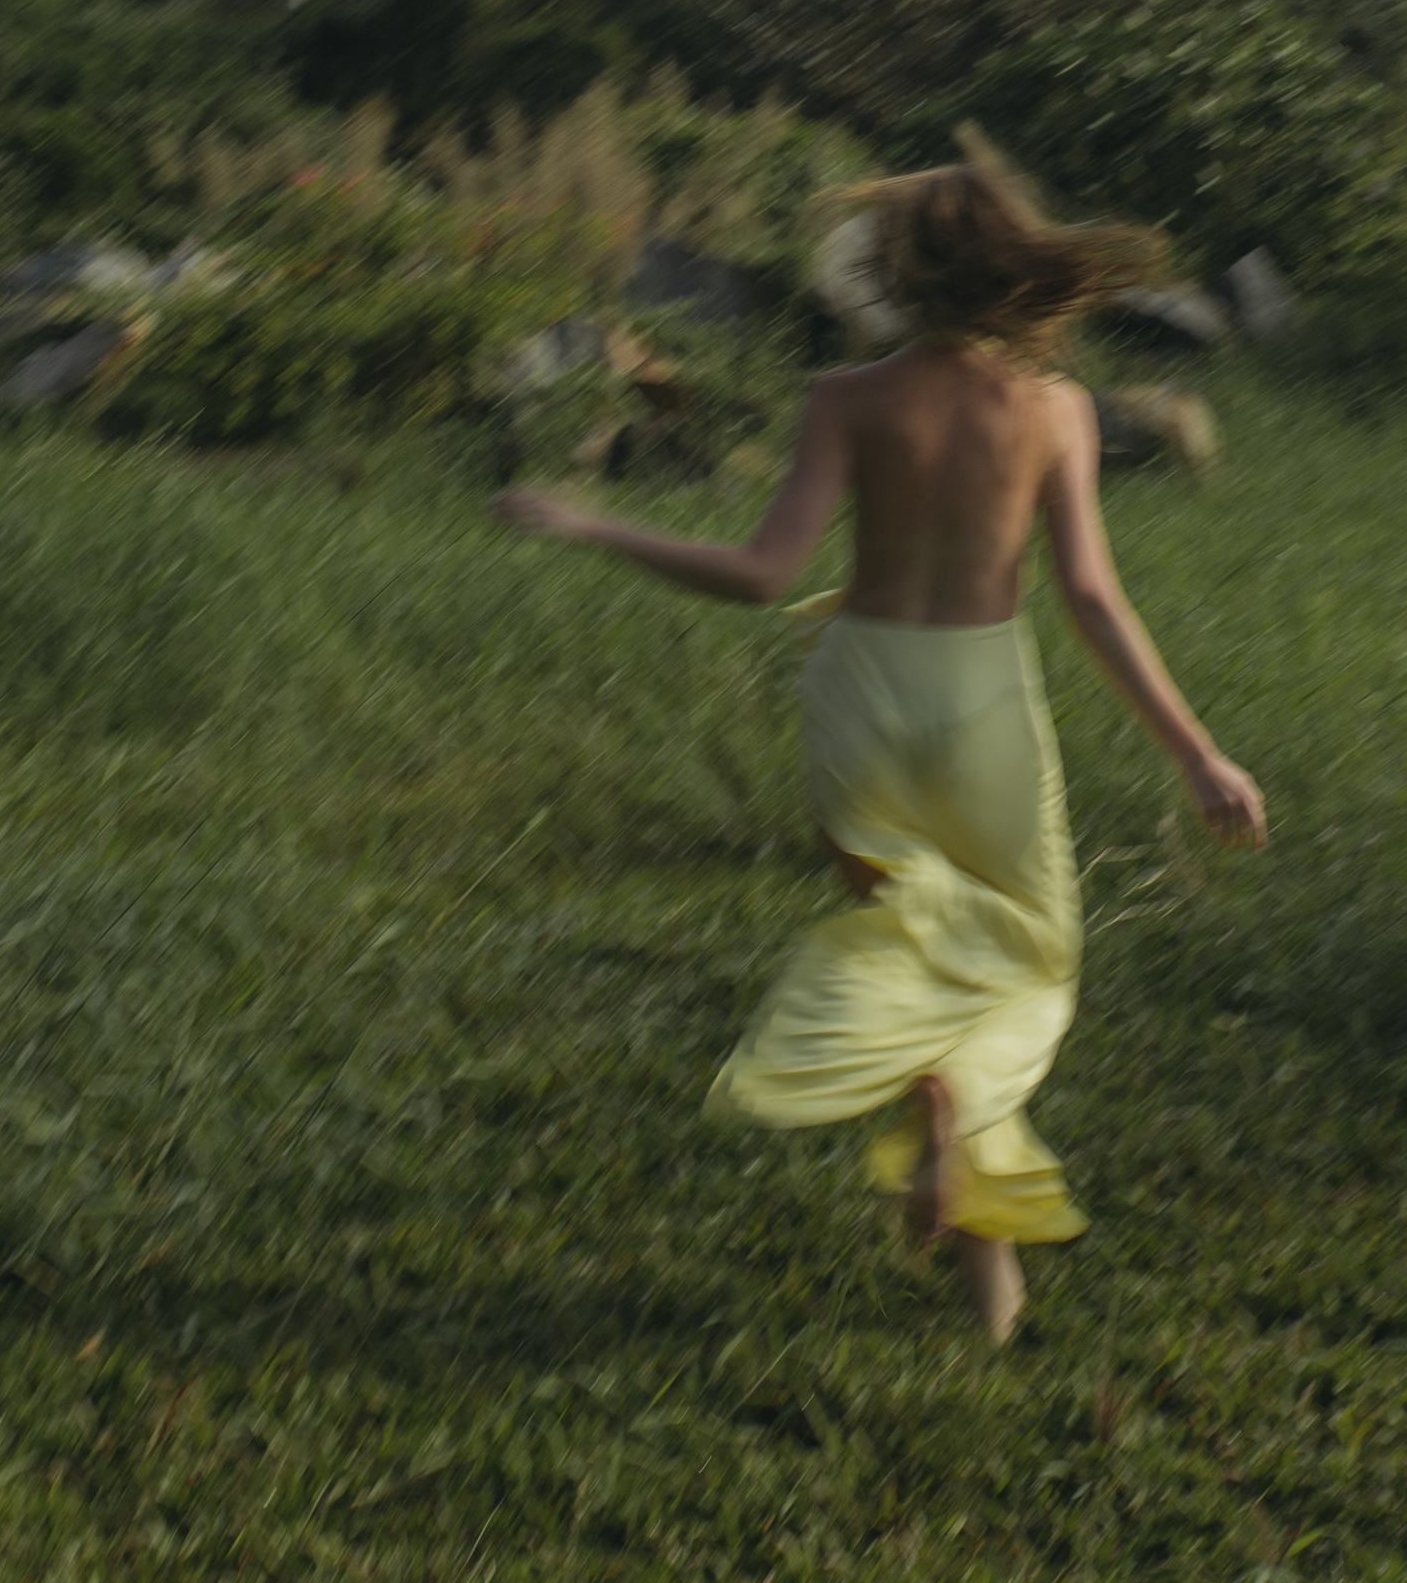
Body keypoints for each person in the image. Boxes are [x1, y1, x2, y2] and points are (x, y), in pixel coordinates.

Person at [493, 151, 1266, 1345]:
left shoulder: (847, 400)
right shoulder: (1055, 411)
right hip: (983, 696)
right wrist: (1198, 755)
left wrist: (591, 522)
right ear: (1010, 265)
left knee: (915, 955)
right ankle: (977, 1210)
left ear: (897, 277)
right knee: (1026, 965)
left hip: (859, 694)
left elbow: (762, 577)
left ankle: (983, 1262)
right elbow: (1093, 601)